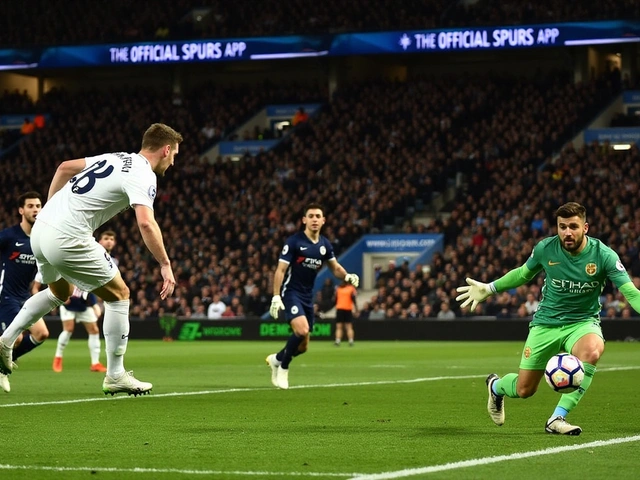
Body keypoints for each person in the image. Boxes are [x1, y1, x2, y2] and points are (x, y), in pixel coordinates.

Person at [0, 123, 181, 397]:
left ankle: (6, 339)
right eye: (174, 154)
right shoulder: (144, 174)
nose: (173, 161)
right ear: (165, 149)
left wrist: (49, 212)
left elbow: (64, 167)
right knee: (120, 295)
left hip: (41, 231)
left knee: (59, 292)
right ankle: (116, 374)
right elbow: (146, 223)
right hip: (68, 236)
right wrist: (165, 264)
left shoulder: (116, 157)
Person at [456, 202, 640, 435]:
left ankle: (557, 418)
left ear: (585, 228)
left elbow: (631, 294)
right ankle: (496, 386)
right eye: (562, 227)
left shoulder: (604, 255)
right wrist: (490, 288)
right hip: (546, 323)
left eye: (573, 226)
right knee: (524, 390)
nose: (567, 232)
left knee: (592, 351)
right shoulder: (545, 249)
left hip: (582, 323)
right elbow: (523, 274)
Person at [266, 203, 359, 389]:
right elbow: (281, 270)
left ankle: (277, 358)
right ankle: (283, 368)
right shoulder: (294, 242)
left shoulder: (325, 245)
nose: (315, 219)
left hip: (308, 297)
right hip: (291, 292)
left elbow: (335, 268)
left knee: (303, 346)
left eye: (318, 216)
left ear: (323, 220)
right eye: (311, 216)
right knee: (301, 330)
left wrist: (347, 276)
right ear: (304, 220)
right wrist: (276, 296)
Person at [0, 192, 48, 393]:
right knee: (16, 338)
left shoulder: (42, 239)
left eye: (38, 205)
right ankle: (4, 369)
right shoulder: (8, 236)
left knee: (41, 334)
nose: (35, 209)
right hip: (6, 296)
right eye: (30, 206)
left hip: (25, 296)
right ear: (21, 210)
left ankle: (7, 361)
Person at [52, 230, 116, 373]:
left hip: (84, 301)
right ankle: (58, 358)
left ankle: (95, 363)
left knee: (94, 330)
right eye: (106, 238)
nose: (109, 241)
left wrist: (94, 303)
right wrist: (64, 293)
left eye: (112, 239)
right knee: (68, 329)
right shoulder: (93, 254)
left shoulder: (111, 260)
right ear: (99, 241)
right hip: (70, 300)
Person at [334, 279, 357, 346]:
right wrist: (356, 308)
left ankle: (338, 341)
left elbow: (335, 299)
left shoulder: (338, 289)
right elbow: (353, 299)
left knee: (339, 327)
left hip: (340, 308)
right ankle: (351, 341)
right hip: (348, 309)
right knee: (349, 327)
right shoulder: (351, 289)